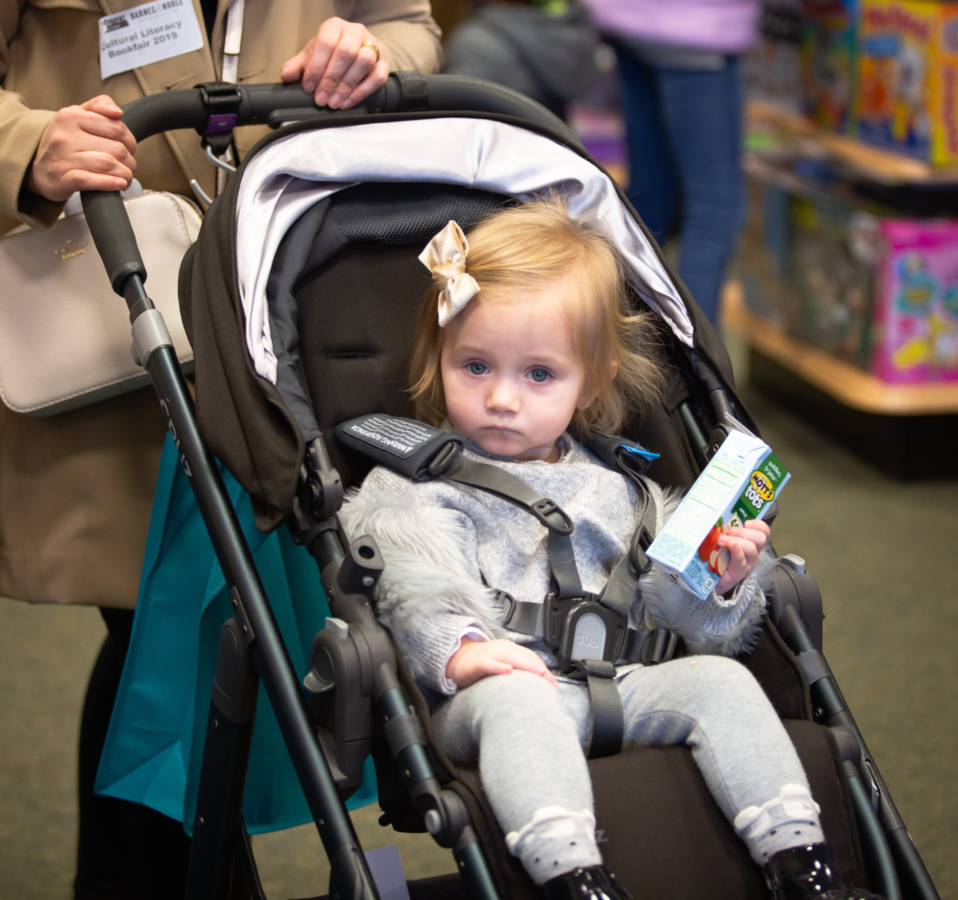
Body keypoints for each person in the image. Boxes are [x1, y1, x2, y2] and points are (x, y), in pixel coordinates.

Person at [0, 3, 441, 898]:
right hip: (115, 304)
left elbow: (406, 23)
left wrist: (373, 53)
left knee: (188, 627)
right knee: (163, 615)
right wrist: (24, 145)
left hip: (292, 291)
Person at [339, 196, 882, 900]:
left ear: (589, 382)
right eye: (474, 366)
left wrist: (717, 581)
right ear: (436, 357)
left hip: (624, 680)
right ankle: (573, 875)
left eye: (538, 375)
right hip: (500, 693)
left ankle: (801, 861)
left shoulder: (619, 486)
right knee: (519, 701)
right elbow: (412, 585)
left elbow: (677, 617)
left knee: (720, 683)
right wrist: (460, 651)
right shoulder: (420, 488)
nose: (502, 398)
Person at [580, 0, 761, 327]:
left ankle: (610, 343)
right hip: (696, 25)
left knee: (651, 198)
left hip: (629, 19)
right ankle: (694, 359)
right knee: (713, 213)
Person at [441, 0, 597, 120]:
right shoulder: (575, 33)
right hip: (556, 147)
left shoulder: (474, 41)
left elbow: (460, 123)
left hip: (496, 149)